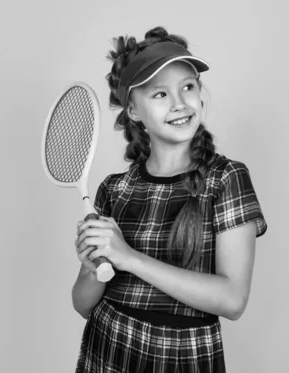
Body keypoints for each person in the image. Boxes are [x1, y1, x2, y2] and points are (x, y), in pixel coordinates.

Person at [72, 26, 268, 373]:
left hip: (182, 358)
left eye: (188, 87)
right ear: (133, 111)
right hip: (108, 348)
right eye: (160, 94)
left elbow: (233, 300)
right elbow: (83, 305)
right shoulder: (114, 189)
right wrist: (91, 270)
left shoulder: (226, 179)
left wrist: (129, 258)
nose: (180, 104)